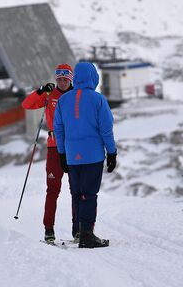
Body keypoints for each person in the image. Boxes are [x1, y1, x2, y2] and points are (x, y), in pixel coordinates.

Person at [54, 62, 117, 249]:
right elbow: (106, 130)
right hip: (93, 155)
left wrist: (61, 154)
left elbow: (58, 128)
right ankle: (87, 235)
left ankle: (78, 231)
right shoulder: (98, 100)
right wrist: (112, 152)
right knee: (89, 194)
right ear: (93, 77)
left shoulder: (64, 100)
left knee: (76, 193)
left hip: (72, 156)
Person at [21, 64, 74, 243]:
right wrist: (40, 90)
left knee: (77, 190)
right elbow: (26, 105)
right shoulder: (49, 94)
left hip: (74, 147)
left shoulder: (77, 95)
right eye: (59, 79)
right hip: (53, 147)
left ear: (70, 79)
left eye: (65, 79)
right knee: (52, 190)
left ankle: (79, 229)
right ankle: (48, 229)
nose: (62, 82)